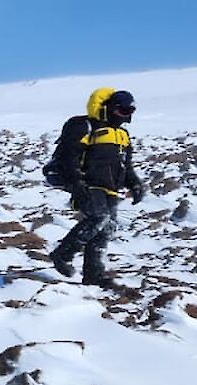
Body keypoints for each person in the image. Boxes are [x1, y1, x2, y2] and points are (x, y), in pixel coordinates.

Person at [46, 89, 147, 289]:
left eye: (130, 111)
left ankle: (94, 274)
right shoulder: (83, 126)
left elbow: (126, 165)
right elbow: (69, 156)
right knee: (98, 218)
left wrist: (135, 183)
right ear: (106, 108)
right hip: (86, 182)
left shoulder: (123, 135)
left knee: (107, 229)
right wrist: (76, 183)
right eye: (122, 111)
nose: (126, 117)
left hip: (110, 187)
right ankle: (63, 254)